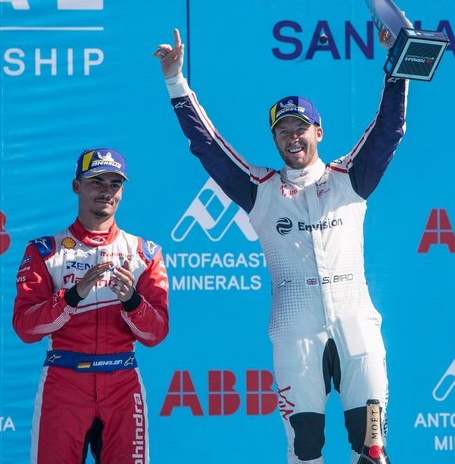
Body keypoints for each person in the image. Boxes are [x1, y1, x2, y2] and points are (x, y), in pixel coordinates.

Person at [154, 28, 405, 463]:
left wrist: (397, 72)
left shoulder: (350, 179)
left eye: (301, 128)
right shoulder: (261, 191)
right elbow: (208, 147)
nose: (293, 137)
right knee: (304, 450)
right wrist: (177, 82)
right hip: (295, 333)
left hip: (357, 328)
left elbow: (388, 130)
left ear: (319, 132)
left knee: (373, 450)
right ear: (274, 139)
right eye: (283, 130)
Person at [12, 148, 169, 463]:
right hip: (65, 381)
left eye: (114, 183)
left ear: (122, 192)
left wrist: (132, 301)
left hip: (122, 382)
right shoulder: (45, 251)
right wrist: (72, 297)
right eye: (96, 181)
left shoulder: (145, 252)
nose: (106, 191)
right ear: (76, 186)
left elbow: (156, 334)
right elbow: (26, 328)